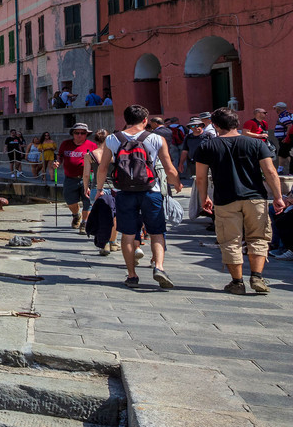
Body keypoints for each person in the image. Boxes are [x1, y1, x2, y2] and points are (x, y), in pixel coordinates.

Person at [192, 107, 285, 294]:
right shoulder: (256, 144)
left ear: (216, 126)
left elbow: (201, 177)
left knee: (230, 240)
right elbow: (270, 172)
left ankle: (237, 282)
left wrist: (204, 198)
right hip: (255, 197)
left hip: (225, 199)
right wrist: (278, 196)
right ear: (237, 123)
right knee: (258, 237)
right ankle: (257, 277)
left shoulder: (207, 146)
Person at [94, 104, 182, 290]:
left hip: (124, 191)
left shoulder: (112, 139)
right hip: (152, 190)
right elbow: (169, 168)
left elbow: (103, 167)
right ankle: (159, 267)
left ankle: (132, 275)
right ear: (145, 120)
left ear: (124, 120)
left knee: (127, 234)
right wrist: (176, 183)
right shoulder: (156, 138)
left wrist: (99, 189)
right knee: (157, 232)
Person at [59, 123, 99, 228]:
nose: (80, 135)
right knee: (70, 201)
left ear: (87, 134)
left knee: (88, 201)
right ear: (73, 133)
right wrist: (57, 162)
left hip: (88, 178)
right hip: (70, 178)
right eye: (77, 133)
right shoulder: (65, 144)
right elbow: (60, 156)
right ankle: (76, 215)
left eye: (83, 133)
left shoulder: (92, 145)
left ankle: (84, 223)